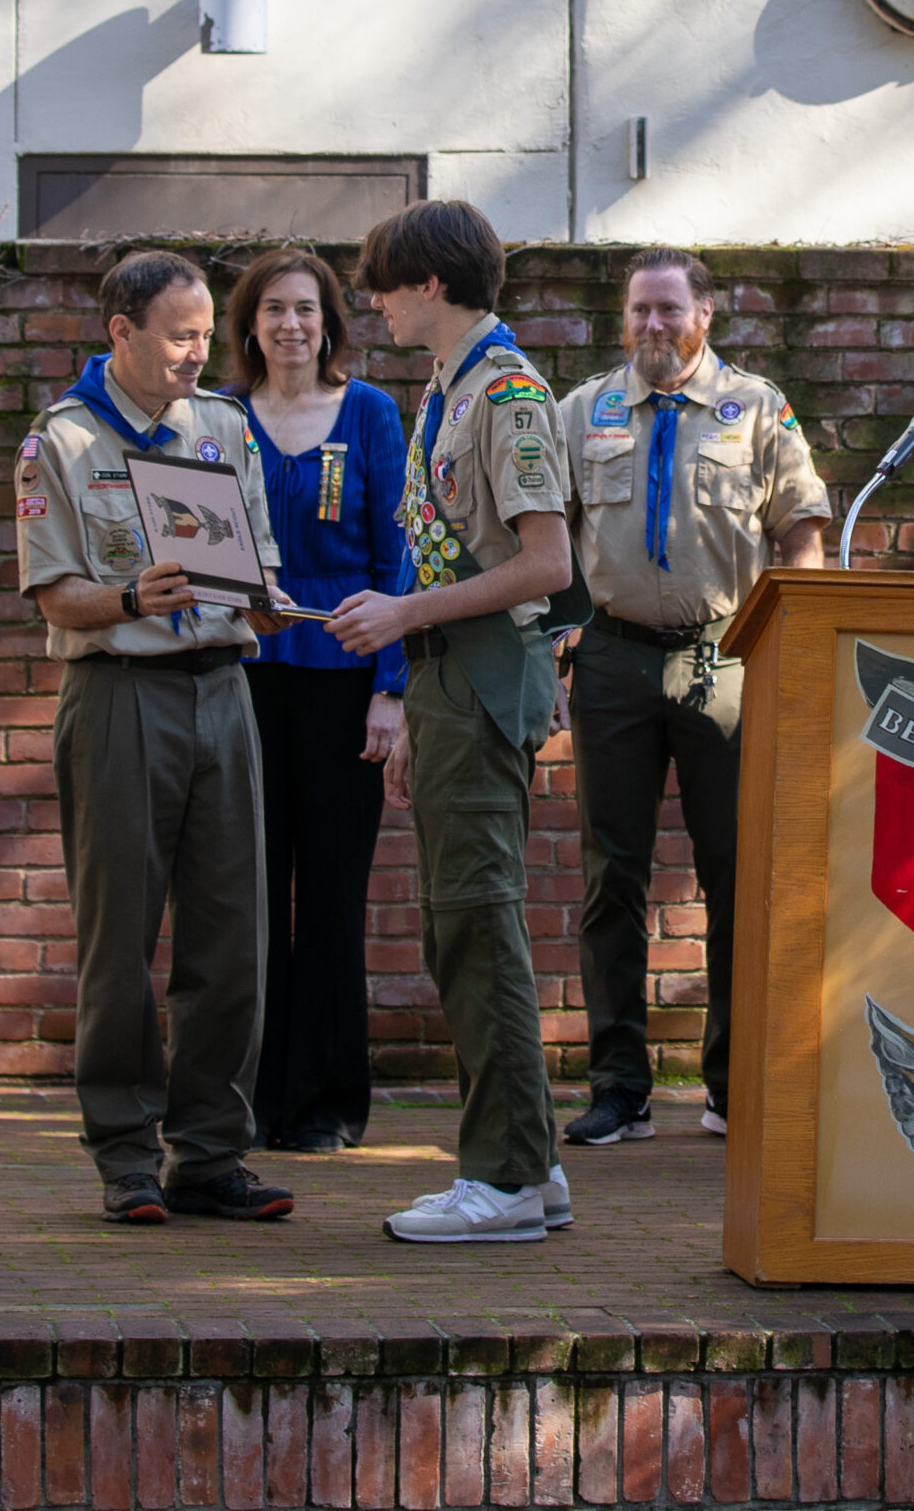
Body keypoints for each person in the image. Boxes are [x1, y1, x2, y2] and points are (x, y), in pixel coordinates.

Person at [18, 248, 299, 1226]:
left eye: (203, 333)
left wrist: (268, 607)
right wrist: (131, 593)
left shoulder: (224, 425)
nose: (197, 352)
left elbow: (257, 562)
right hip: (119, 692)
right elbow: (54, 594)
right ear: (121, 334)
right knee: (119, 937)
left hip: (222, 687)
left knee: (233, 937)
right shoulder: (59, 442)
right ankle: (125, 1155)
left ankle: (211, 1154)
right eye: (179, 335)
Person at [326, 199, 574, 1245]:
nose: (372, 304)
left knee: (476, 922)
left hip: (476, 669)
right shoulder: (453, 384)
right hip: (451, 680)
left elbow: (546, 564)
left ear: (429, 283)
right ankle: (528, 1164)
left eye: (382, 283)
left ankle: (506, 1177)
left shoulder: (505, 391)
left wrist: (405, 616)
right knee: (460, 919)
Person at [553, 248, 830, 1150]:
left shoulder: (757, 408)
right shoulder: (582, 410)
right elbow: (546, 531)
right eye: (638, 310)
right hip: (612, 660)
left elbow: (803, 533)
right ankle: (619, 1086)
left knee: (738, 874)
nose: (652, 327)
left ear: (705, 314)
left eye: (669, 310)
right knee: (612, 878)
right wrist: (555, 634)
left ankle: (731, 1083)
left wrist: (794, 656)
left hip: (726, 661)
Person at [220, 249, 405, 1154]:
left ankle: (328, 1099)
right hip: (243, 678)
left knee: (332, 892)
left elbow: (400, 559)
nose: (290, 324)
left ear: (331, 321)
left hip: (344, 686)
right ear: (249, 324)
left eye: (306, 309)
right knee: (249, 891)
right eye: (273, 310)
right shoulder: (217, 419)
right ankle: (248, 1095)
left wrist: (392, 690)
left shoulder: (370, 413)